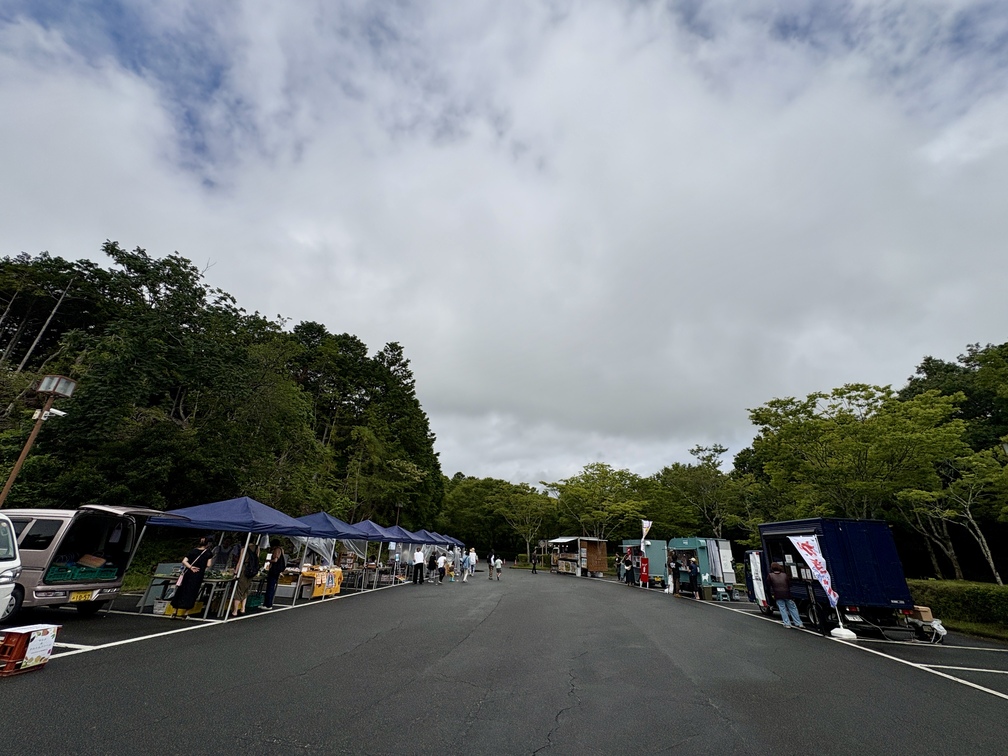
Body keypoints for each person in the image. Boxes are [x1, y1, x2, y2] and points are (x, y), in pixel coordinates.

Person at [170, 536, 214, 618]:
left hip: (188, 573)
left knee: (181, 590)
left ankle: (175, 611)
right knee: (192, 592)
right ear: (207, 544)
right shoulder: (208, 553)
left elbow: (184, 561)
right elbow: (208, 564)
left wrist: (190, 567)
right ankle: (186, 612)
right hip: (198, 574)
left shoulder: (193, 551)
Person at [768, 562, 804, 629]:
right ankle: (799, 623)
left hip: (777, 594)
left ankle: (787, 623)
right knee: (793, 608)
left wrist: (772, 593)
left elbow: (769, 585)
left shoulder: (770, 575)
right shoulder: (784, 575)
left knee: (782, 609)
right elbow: (789, 584)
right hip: (787, 593)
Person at [231, 544, 259, 617]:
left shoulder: (244, 549)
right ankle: (243, 608)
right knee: (246, 589)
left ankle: (235, 611)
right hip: (252, 570)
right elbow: (257, 559)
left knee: (239, 590)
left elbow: (240, 561)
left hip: (244, 569)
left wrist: (236, 572)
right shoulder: (257, 548)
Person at [263, 543, 286, 609]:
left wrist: (268, 560)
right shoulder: (281, 550)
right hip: (277, 571)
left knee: (270, 587)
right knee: (272, 587)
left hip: (274, 571)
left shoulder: (277, 550)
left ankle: (268, 604)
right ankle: (268, 603)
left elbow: (275, 560)